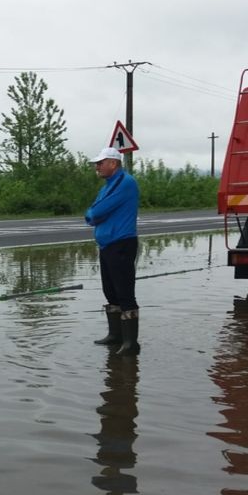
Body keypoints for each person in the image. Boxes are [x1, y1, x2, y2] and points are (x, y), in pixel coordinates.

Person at [85, 146, 140, 355]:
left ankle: (131, 344)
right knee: (110, 291)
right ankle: (116, 335)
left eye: (100, 163)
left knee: (125, 292)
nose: (97, 167)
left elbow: (97, 211)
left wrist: (94, 214)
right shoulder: (107, 185)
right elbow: (93, 211)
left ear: (113, 163)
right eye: (97, 163)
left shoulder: (125, 183)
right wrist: (93, 214)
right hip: (107, 244)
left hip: (121, 243)